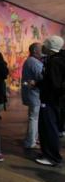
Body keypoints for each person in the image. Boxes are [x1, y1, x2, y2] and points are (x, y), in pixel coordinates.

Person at [34, 35, 65, 166]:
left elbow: (53, 84)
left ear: (49, 47)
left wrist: (38, 84)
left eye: (44, 45)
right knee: (49, 127)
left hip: (51, 100)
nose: (42, 47)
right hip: (56, 101)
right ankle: (47, 153)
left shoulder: (54, 62)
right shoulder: (58, 59)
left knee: (48, 128)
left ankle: (52, 157)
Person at [21, 43, 43, 149]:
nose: (42, 51)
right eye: (40, 48)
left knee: (34, 117)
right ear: (35, 50)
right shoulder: (33, 62)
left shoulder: (30, 61)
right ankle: (30, 142)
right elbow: (41, 76)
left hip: (32, 93)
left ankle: (32, 139)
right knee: (33, 118)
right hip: (34, 94)